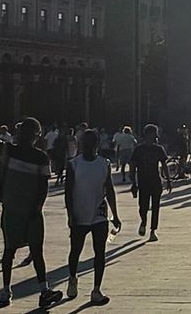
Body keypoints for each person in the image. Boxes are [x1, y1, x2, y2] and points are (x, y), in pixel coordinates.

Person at [0, 117, 62, 309]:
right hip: (29, 210)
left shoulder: (14, 151)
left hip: (14, 209)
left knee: (10, 250)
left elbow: (3, 169)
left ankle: (7, 291)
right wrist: (37, 207)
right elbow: (43, 188)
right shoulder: (40, 157)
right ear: (38, 136)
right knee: (35, 252)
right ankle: (43, 290)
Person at [65, 129, 121, 305]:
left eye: (91, 144)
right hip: (79, 214)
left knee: (100, 253)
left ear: (97, 145)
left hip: (99, 214)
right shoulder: (73, 164)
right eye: (85, 144)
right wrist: (70, 214)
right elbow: (68, 192)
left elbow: (109, 190)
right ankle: (73, 278)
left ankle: (96, 289)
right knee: (75, 251)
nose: (88, 147)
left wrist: (115, 215)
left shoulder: (104, 163)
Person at [130, 124, 171, 241]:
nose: (152, 136)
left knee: (155, 206)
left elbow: (164, 165)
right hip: (143, 181)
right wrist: (133, 182)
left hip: (156, 181)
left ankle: (153, 230)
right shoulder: (138, 149)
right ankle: (143, 221)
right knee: (143, 205)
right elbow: (132, 165)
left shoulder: (158, 149)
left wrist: (168, 180)